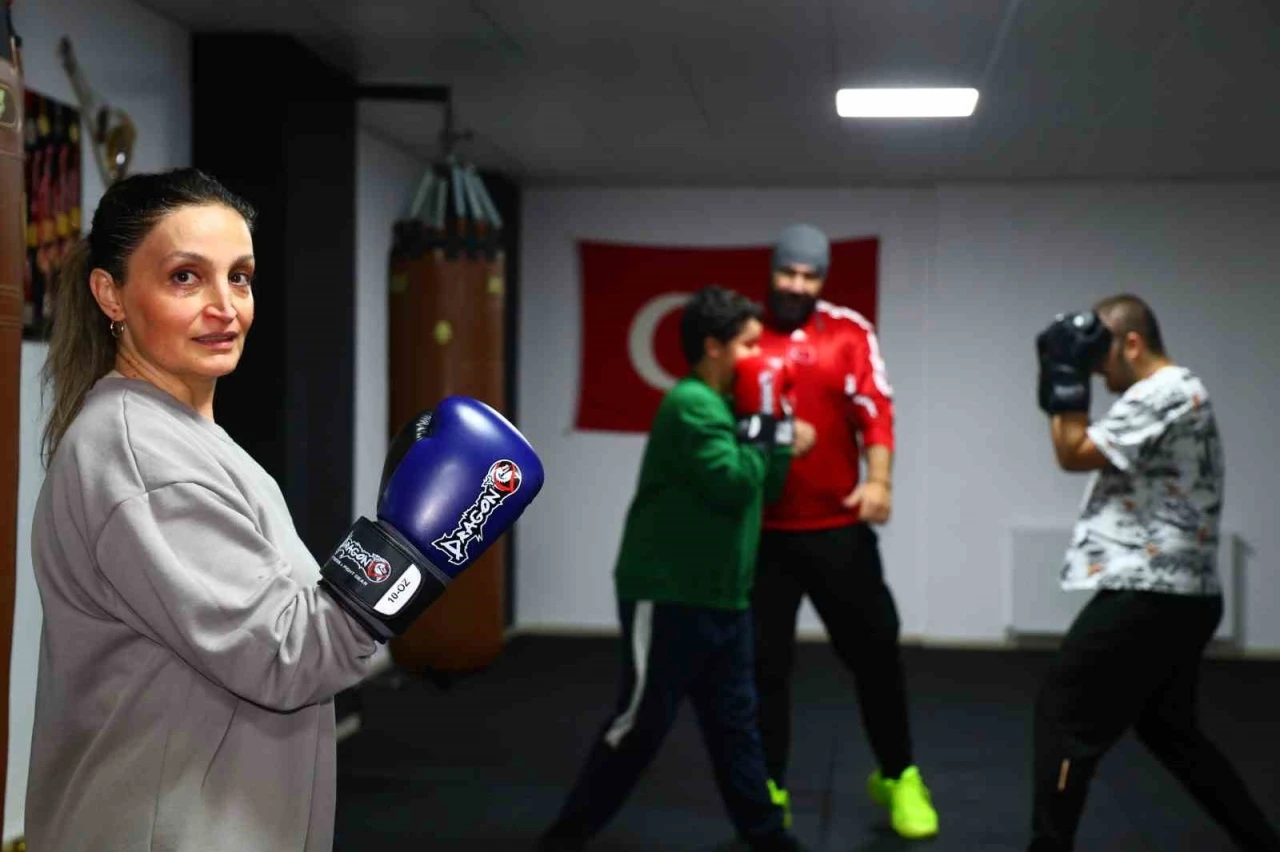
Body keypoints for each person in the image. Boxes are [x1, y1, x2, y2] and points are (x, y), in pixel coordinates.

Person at [26, 167, 542, 852]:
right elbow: (290, 657)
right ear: (110, 294)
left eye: (239, 277)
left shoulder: (181, 435)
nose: (225, 306)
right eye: (186, 277)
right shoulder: (143, 457)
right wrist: (409, 548)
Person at [538, 285, 809, 852]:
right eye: (749, 345)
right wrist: (768, 425)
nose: (760, 356)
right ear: (713, 347)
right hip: (669, 596)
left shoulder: (731, 407)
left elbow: (768, 488)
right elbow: (733, 484)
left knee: (736, 726)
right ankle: (563, 839)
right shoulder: (691, 404)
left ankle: (768, 838)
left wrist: (775, 431)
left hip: (725, 597)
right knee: (640, 725)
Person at [1031, 294, 1280, 851]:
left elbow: (1072, 451)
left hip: (1153, 591)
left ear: (1133, 343)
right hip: (1178, 593)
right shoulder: (1173, 392)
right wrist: (1064, 377)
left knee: (1062, 714)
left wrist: (1066, 374)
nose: (1099, 372)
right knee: (1171, 732)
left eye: (1101, 357)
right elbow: (1074, 448)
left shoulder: (1165, 390)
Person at [750, 224, 939, 840]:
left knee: (876, 653)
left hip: (838, 528)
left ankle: (899, 774)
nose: (798, 286)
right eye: (788, 273)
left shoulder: (849, 332)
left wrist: (879, 482)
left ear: (823, 280)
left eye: (810, 276)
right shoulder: (744, 334)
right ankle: (767, 787)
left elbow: (876, 411)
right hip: (761, 534)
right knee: (763, 668)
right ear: (772, 272)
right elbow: (717, 418)